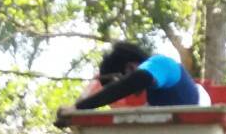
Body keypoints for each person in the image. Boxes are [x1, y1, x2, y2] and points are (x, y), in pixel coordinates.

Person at [67, 40, 212, 113]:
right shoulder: (155, 94)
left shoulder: (160, 64)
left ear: (130, 68)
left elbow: (132, 83)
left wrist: (78, 107)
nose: (125, 96)